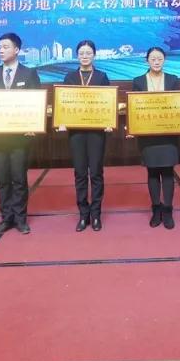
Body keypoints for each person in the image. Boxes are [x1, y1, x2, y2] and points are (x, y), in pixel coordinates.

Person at [0, 32, 42, 236]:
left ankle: (20, 218)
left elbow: (36, 102)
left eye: (6, 47)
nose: (1, 50)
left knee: (19, 178)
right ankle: (6, 218)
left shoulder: (29, 74)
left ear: (17, 50)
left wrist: (33, 124)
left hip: (19, 137)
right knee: (2, 179)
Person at [60, 39, 113, 232]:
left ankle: (96, 214)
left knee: (96, 172)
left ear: (94, 55)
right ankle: (83, 214)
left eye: (88, 53)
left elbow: (108, 102)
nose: (85, 56)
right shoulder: (70, 77)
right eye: (81, 53)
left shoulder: (101, 76)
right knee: (80, 173)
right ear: (77, 56)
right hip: (76, 132)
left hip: (96, 132)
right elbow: (64, 102)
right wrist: (62, 121)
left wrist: (109, 121)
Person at [130, 47, 180, 230]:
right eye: (152, 58)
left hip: (168, 134)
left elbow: (179, 105)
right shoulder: (138, 81)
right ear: (147, 60)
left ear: (164, 60)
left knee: (168, 172)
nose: (156, 61)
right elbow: (134, 108)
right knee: (152, 172)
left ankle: (167, 210)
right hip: (148, 135)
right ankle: (155, 209)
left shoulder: (173, 79)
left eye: (159, 58)